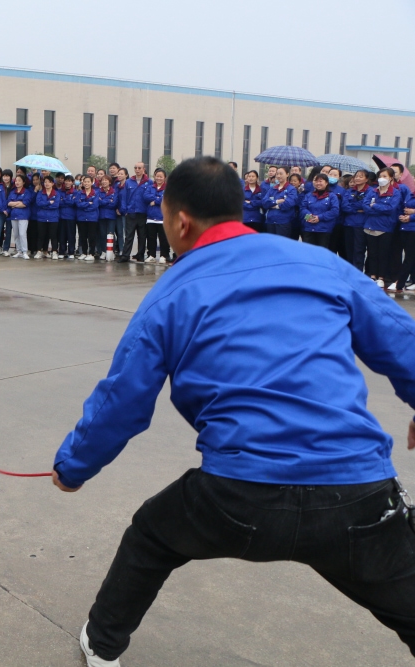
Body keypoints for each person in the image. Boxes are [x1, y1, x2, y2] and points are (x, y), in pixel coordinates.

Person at [53, 156, 415, 667]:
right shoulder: (319, 264)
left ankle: (104, 645)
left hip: (237, 498)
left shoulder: (170, 293)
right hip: (355, 494)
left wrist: (73, 468)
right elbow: (402, 342)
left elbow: (123, 401)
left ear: (179, 221)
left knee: (152, 536)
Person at [364, 167, 402, 288]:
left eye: (385, 176)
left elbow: (390, 209)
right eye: (380, 176)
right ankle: (373, 275)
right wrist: (376, 208)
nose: (382, 179)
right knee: (372, 253)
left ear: (391, 178)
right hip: (370, 225)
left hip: (385, 227)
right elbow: (365, 206)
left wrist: (374, 206)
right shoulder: (373, 191)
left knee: (383, 253)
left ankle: (381, 277)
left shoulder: (395, 193)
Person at [341, 170, 372, 272]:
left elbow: (364, 205)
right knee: (348, 250)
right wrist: (356, 209)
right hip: (348, 223)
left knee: (359, 250)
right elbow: (344, 206)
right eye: (356, 176)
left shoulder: (370, 191)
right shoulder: (349, 191)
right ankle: (349, 272)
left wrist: (354, 206)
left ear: (366, 179)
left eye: (361, 176)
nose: (357, 178)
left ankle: (357, 272)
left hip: (361, 224)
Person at [299, 173, 340, 250]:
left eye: (320, 181)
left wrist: (319, 218)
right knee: (308, 251)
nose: (318, 183)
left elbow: (334, 211)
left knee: (321, 252)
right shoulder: (308, 195)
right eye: (316, 181)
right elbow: (302, 208)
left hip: (324, 229)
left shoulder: (332, 196)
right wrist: (309, 216)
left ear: (326, 183)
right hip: (309, 227)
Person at [119, 163, 150, 263]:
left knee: (142, 236)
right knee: (129, 236)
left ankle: (140, 255)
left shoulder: (148, 182)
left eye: (139, 168)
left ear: (144, 169)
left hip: (143, 212)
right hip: (131, 212)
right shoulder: (129, 182)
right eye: (135, 168)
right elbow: (124, 197)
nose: (137, 170)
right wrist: (125, 210)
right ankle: (125, 255)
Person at [261, 166, 297, 237]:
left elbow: (289, 203)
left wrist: (274, 206)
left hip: (283, 221)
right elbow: (264, 202)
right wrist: (277, 201)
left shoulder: (291, 189)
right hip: (270, 220)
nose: (279, 176)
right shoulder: (273, 188)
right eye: (277, 174)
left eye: (281, 174)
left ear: (287, 174)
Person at [143, 168, 168, 263]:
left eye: (161, 176)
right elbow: (145, 196)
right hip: (151, 218)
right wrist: (158, 198)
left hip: (162, 218)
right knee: (151, 238)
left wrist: (155, 201)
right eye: (157, 176)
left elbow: (165, 199)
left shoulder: (167, 188)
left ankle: (163, 255)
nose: (159, 178)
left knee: (163, 238)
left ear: (164, 178)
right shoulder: (150, 187)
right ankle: (151, 255)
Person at [7, 174, 32, 259]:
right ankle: (19, 251)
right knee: (16, 234)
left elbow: (25, 204)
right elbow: (9, 203)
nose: (17, 182)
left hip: (23, 216)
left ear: (23, 182)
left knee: (22, 234)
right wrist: (18, 203)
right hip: (14, 216)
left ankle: (25, 251)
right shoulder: (12, 192)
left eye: (19, 181)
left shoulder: (27, 192)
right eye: (16, 181)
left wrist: (15, 204)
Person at [75, 175, 99, 261]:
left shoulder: (96, 193)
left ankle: (91, 253)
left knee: (92, 236)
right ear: (82, 183)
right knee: (82, 236)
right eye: (85, 182)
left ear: (92, 182)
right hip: (81, 217)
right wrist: (89, 203)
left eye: (88, 181)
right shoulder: (79, 193)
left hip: (92, 218)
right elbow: (78, 204)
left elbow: (95, 205)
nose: (86, 183)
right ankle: (84, 253)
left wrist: (84, 204)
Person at [96, 175, 118, 260]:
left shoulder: (114, 191)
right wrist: (108, 200)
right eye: (103, 180)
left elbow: (114, 203)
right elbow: (98, 202)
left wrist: (103, 201)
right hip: (101, 216)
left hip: (111, 216)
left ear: (109, 182)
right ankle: (103, 251)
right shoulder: (98, 191)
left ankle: (112, 251)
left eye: (106, 180)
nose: (104, 182)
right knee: (102, 234)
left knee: (111, 234)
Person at [57, 173, 76, 260]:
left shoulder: (76, 192)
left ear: (72, 182)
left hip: (71, 217)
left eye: (69, 181)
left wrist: (64, 200)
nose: (67, 183)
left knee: (71, 235)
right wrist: (67, 201)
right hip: (61, 216)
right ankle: (61, 251)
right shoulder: (60, 192)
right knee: (62, 235)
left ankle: (71, 252)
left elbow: (73, 203)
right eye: (66, 181)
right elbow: (58, 203)